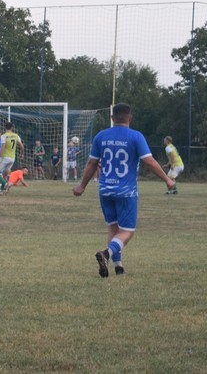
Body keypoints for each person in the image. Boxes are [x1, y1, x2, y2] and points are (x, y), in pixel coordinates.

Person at [72, 103, 175, 278]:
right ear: (130, 118)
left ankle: (118, 267)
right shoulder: (136, 136)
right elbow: (149, 161)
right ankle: (106, 254)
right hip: (126, 192)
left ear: (112, 118)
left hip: (105, 191)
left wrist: (82, 186)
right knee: (127, 231)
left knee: (113, 228)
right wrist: (167, 179)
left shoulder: (101, 136)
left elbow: (91, 163)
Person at [0, 122, 24, 195]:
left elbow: (2, 148)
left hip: (5, 157)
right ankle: (2, 191)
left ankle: (6, 183)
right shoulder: (16, 135)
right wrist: (22, 154)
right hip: (12, 159)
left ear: (5, 127)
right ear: (12, 127)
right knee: (5, 174)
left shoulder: (4, 136)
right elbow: (22, 146)